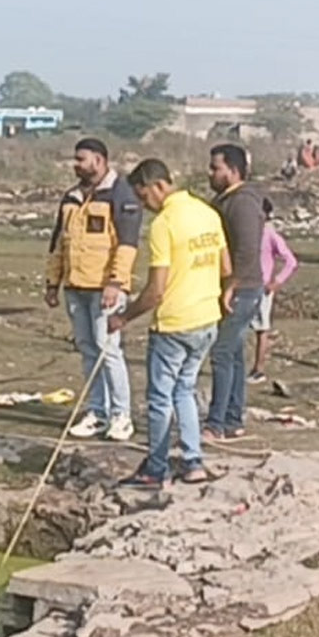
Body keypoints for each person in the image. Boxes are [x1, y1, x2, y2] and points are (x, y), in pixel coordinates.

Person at [108, 158, 228, 489]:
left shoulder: (165, 224)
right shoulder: (207, 213)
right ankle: (193, 461)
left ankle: (156, 467)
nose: (144, 205)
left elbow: (155, 291)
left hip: (175, 325)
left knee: (161, 397)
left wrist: (123, 317)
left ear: (157, 185)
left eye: (143, 195)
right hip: (207, 319)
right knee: (184, 390)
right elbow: (225, 266)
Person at [45, 138, 141, 441]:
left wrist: (116, 282)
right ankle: (97, 411)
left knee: (109, 350)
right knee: (88, 350)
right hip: (76, 288)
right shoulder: (71, 197)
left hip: (105, 289)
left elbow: (127, 244)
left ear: (99, 161)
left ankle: (121, 415)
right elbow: (59, 243)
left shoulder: (121, 194)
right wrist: (52, 282)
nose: (76, 164)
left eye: (81, 159)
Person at [204, 143, 264, 442]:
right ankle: (232, 419)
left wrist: (231, 286)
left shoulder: (242, 203)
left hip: (241, 288)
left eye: (216, 167)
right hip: (238, 287)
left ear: (233, 170)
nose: (210, 173)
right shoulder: (226, 200)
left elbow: (247, 250)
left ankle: (216, 423)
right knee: (235, 355)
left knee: (222, 353)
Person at [248, 198, 298, 384]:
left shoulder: (270, 234)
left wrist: (276, 282)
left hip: (262, 288)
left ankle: (259, 369)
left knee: (262, 329)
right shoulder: (250, 232)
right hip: (245, 286)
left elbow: (291, 262)